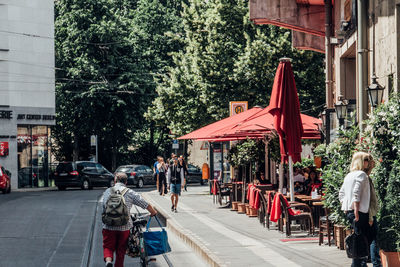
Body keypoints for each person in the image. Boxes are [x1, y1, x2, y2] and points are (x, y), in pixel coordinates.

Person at [102, 172, 157, 267]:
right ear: (126, 182)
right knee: (121, 251)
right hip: (124, 227)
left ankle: (108, 261)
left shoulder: (107, 191)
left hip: (109, 226)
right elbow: (144, 203)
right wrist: (153, 212)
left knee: (108, 247)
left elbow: (104, 208)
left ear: (115, 181)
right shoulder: (130, 192)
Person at [339, 152, 375, 267]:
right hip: (359, 212)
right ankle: (358, 264)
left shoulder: (349, 175)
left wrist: (346, 207)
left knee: (359, 240)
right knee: (363, 241)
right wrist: (355, 210)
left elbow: (341, 193)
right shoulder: (361, 175)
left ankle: (359, 264)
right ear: (360, 161)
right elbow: (356, 192)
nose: (367, 162)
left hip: (352, 212)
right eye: (365, 160)